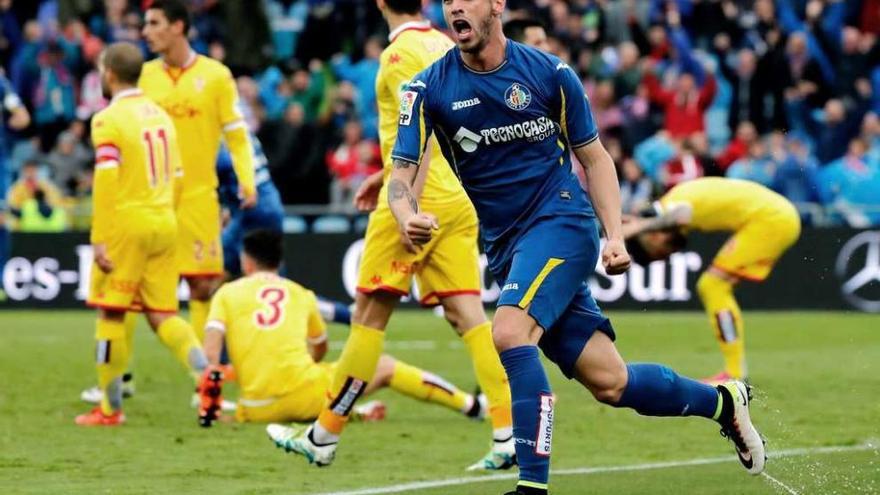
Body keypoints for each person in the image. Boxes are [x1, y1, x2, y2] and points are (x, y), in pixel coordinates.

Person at [382, 2, 764, 493]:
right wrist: (406, 214)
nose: (454, 4)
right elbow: (402, 173)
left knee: (510, 332)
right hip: (507, 247)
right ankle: (725, 403)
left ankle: (531, 487)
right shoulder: (426, 87)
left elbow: (596, 158)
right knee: (611, 382)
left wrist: (615, 236)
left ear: (496, 5)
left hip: (563, 222)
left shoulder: (551, 73)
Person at [267, 0, 515, 472]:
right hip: (458, 199)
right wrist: (384, 175)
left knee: (367, 318)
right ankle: (508, 432)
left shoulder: (398, 54)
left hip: (418, 201)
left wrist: (405, 205)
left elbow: (417, 130)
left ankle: (323, 435)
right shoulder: (443, 43)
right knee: (468, 315)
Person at [197, 229, 487, 426]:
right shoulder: (300, 293)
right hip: (304, 396)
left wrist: (212, 380)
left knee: (322, 386)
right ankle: (474, 406)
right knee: (383, 367)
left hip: (255, 408)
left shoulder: (226, 293)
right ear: (279, 262)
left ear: (247, 262)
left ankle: (356, 412)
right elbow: (321, 345)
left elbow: (212, 346)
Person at [75, 42, 208, 426]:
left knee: (111, 313)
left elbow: (105, 180)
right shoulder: (161, 115)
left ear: (110, 74)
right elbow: (179, 177)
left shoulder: (108, 119)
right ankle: (205, 376)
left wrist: (100, 237)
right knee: (163, 314)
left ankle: (109, 408)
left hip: (127, 225)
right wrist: (165, 211)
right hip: (166, 220)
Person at [139, 0, 256, 343]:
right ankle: (120, 375)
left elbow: (237, 134)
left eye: (154, 23)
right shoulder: (144, 77)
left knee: (203, 285)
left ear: (177, 26)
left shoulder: (216, 76)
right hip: (152, 198)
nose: (145, 31)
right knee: (138, 290)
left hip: (198, 197)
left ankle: (204, 378)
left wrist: (247, 180)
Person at [624, 178, 801, 383]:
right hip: (776, 216)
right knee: (714, 286)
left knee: (713, 285)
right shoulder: (675, 199)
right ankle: (735, 371)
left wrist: (640, 226)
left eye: (661, 253)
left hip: (772, 220)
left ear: (654, 236)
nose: (668, 254)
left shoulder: (672, 204)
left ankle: (735, 373)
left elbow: (681, 216)